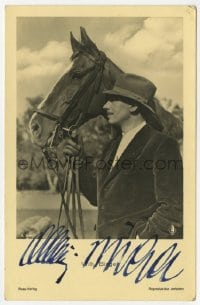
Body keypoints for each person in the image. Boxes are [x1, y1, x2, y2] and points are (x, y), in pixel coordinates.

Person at [61, 73, 183, 239]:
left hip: (138, 254)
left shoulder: (162, 144)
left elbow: (172, 208)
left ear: (134, 106)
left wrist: (140, 239)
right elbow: (99, 198)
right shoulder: (111, 147)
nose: (105, 106)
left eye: (113, 100)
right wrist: (79, 161)